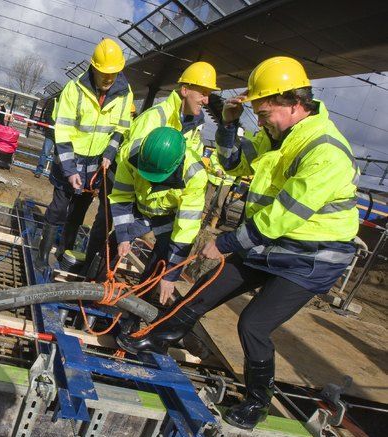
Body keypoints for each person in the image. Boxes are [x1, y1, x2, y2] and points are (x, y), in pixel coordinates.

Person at [118, 57, 359, 430]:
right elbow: (233, 164)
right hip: (270, 244)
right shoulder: (279, 135)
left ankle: (258, 401)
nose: (260, 122)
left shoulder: (325, 150)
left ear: (294, 102)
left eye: (264, 113)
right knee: (206, 287)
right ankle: (160, 338)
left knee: (253, 325)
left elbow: (285, 214)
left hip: (309, 259)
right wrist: (229, 126)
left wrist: (229, 241)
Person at [82, 61, 217, 274]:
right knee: (109, 229)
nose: (206, 100)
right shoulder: (154, 119)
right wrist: (125, 233)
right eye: (202, 92)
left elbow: (187, 167)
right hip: (127, 182)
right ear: (185, 90)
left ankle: (143, 294)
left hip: (158, 195)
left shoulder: (194, 126)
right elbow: (133, 166)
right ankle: (90, 275)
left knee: (164, 243)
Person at [36, 38, 133, 269]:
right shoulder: (75, 89)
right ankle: (42, 254)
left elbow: (121, 127)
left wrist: (110, 151)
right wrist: (69, 171)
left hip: (95, 165)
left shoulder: (124, 93)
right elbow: (63, 130)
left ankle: (63, 251)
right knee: (59, 207)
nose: (109, 78)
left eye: (114, 72)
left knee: (79, 211)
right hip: (70, 159)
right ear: (94, 68)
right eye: (104, 73)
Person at [97, 126, 206, 296]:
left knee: (161, 260)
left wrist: (170, 275)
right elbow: (122, 196)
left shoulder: (194, 175)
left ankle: (139, 305)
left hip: (168, 217)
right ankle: (97, 288)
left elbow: (186, 230)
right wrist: (123, 236)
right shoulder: (130, 154)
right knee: (113, 242)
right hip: (140, 210)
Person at [204, 144, 236, 230]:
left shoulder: (239, 151)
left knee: (220, 203)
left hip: (227, 181)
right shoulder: (222, 146)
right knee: (207, 199)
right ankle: (201, 220)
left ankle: (212, 225)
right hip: (214, 177)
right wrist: (217, 169)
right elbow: (214, 157)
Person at [33, 95, 57, 178]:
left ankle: (54, 175)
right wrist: (54, 124)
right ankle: (39, 171)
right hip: (51, 133)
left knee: (60, 157)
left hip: (61, 134)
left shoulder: (70, 104)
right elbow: (47, 115)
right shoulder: (54, 101)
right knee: (45, 153)